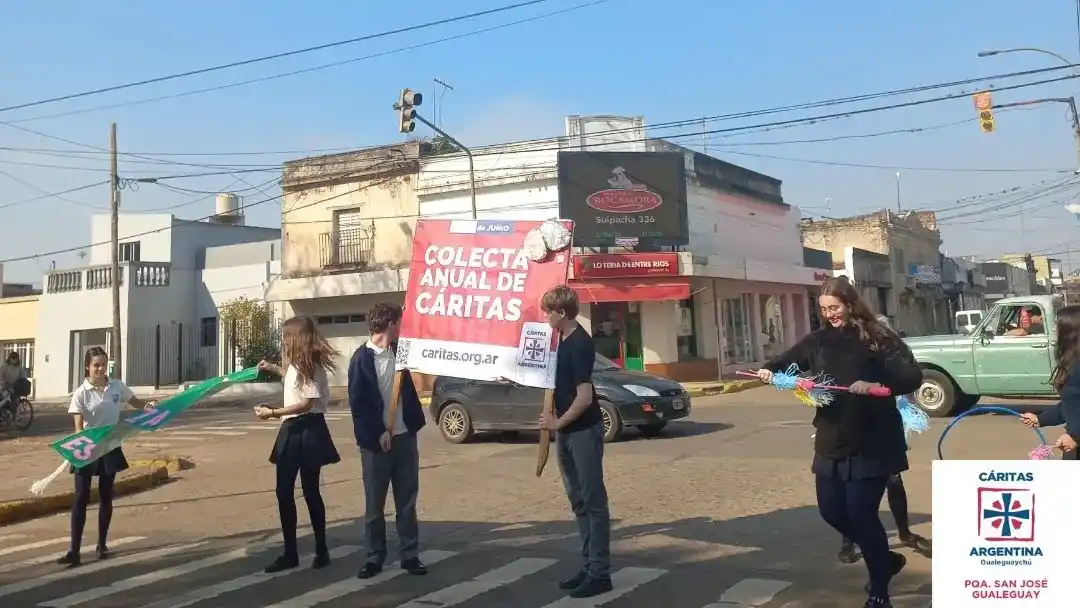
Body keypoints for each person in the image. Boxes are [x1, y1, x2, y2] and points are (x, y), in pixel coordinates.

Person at [757, 277, 923, 608]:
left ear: (850, 304)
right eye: (823, 309)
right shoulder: (818, 340)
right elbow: (788, 361)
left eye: (834, 307)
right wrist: (768, 370)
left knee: (862, 515)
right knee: (832, 511)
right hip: (832, 438)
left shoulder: (878, 336)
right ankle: (884, 559)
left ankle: (879, 592)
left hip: (873, 440)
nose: (829, 314)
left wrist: (878, 381)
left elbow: (911, 376)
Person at [836, 317, 932, 563]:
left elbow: (909, 380)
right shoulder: (852, 352)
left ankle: (903, 532)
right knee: (852, 484)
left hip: (886, 425)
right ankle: (849, 541)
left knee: (893, 480)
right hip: (853, 428)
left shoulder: (895, 351)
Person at [539, 285, 612, 598]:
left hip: (583, 430)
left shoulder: (580, 343)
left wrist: (558, 422)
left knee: (594, 502)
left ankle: (600, 572)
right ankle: (588, 566)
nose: (546, 318)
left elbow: (585, 397)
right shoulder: (561, 340)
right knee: (579, 502)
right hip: (567, 433)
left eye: (549, 312)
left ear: (562, 313)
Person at [255, 316, 341, 573]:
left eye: (286, 337)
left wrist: (272, 413)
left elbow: (306, 403)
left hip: (308, 427)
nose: (284, 341)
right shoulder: (297, 364)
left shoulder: (311, 365)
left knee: (310, 491)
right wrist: (273, 367)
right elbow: (293, 380)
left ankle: (321, 549)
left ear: (297, 336)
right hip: (292, 429)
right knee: (284, 492)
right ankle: (290, 553)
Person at [348, 302, 428, 580]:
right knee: (375, 504)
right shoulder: (361, 359)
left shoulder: (401, 351)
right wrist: (376, 433)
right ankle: (374, 556)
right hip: (375, 444)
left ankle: (410, 554)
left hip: (405, 437)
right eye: (399, 320)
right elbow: (358, 405)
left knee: (406, 500)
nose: (402, 325)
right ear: (390, 323)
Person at [58, 346, 153, 568]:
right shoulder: (81, 393)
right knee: (80, 497)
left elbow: (135, 402)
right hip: (88, 448)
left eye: (103, 364)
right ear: (87, 368)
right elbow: (78, 427)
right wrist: (82, 446)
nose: (100, 369)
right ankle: (74, 551)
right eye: (96, 365)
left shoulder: (117, 386)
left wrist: (148, 407)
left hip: (110, 446)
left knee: (106, 495)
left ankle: (102, 545)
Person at [1018, 304, 1080, 460]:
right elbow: (1071, 404)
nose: (1053, 330)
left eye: (1057, 325)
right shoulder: (1071, 363)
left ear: (1070, 331)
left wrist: (1076, 437)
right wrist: (1041, 418)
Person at [0, 351, 28, 417]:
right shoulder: (4, 366)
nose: (14, 360)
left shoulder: (18, 367)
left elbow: (23, 375)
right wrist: (3, 384)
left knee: (14, 400)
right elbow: (0, 376)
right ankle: (3, 413)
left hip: (14, 386)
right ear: (9, 358)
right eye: (12, 358)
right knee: (4, 399)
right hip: (4, 386)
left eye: (15, 358)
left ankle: (13, 415)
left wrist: (24, 381)